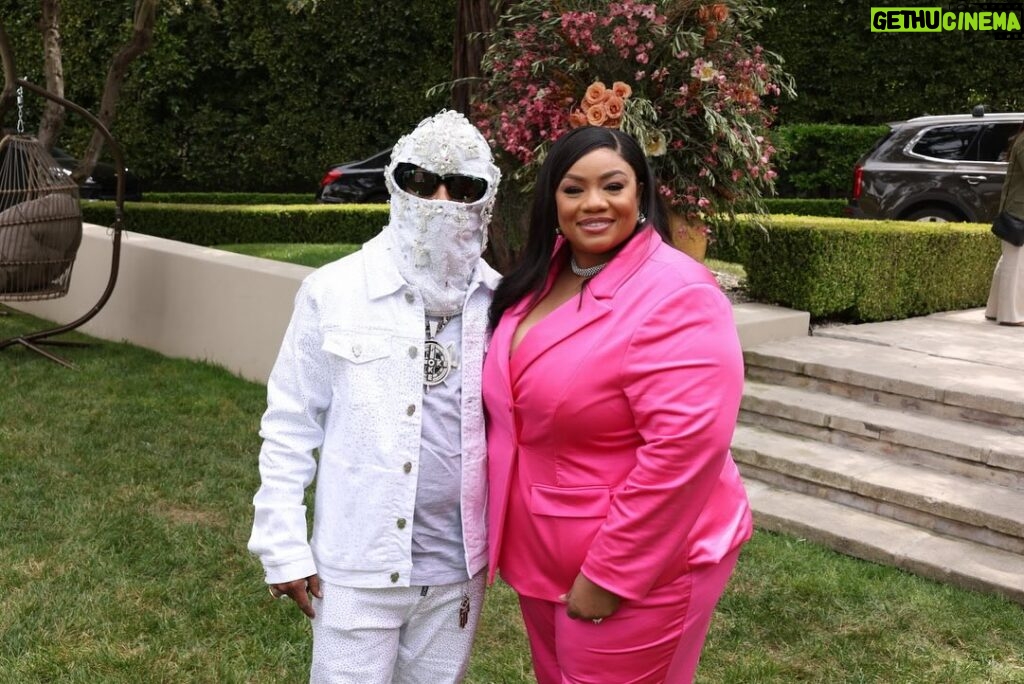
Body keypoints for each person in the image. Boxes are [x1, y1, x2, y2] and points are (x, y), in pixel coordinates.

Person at [482, 125, 751, 684]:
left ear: (641, 193)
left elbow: (684, 450)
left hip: (643, 563)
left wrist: (611, 574)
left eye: (613, 185)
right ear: (551, 200)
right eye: (573, 189)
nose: (594, 203)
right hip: (544, 551)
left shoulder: (678, 294)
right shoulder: (542, 274)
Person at [247, 110, 501, 683]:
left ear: (487, 197)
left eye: (463, 188)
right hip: (357, 564)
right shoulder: (331, 292)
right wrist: (282, 544)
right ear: (395, 183)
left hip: (458, 571)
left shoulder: (500, 304)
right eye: (420, 181)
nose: (440, 200)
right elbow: (290, 423)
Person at [986, 125, 1024, 326]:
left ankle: (994, 310)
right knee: (1015, 263)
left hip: (1016, 210)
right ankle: (1011, 315)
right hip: (1018, 212)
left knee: (1010, 260)